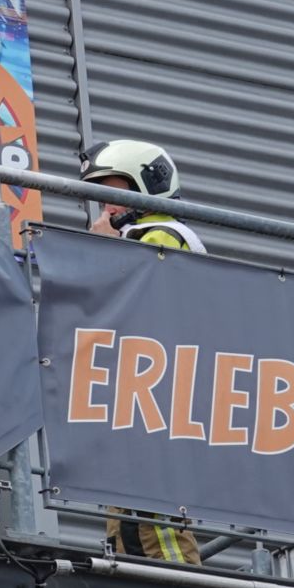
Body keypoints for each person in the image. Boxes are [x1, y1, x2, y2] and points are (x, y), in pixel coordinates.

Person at [81, 139, 205, 564]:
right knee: (126, 520)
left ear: (146, 187)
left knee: (157, 522)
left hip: (159, 392)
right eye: (101, 197)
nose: (106, 207)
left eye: (114, 193)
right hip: (137, 392)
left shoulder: (166, 234)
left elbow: (145, 297)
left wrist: (106, 250)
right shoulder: (134, 235)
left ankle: (182, 587)